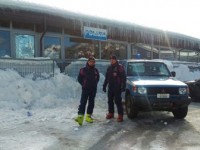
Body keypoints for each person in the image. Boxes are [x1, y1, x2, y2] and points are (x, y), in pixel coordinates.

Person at [75, 56, 100, 126]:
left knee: (91, 103)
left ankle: (88, 116)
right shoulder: (83, 70)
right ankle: (80, 116)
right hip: (85, 89)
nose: (92, 63)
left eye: (93, 62)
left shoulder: (96, 70)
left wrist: (94, 84)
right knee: (83, 102)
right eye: (90, 61)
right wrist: (83, 84)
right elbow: (79, 78)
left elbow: (97, 78)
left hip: (93, 89)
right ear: (88, 62)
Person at [103, 55, 126, 122]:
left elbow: (123, 77)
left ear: (116, 60)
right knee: (110, 101)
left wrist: (123, 86)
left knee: (118, 101)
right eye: (111, 59)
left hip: (117, 87)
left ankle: (120, 116)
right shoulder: (109, 68)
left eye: (113, 59)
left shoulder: (120, 67)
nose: (112, 60)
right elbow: (107, 78)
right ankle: (111, 113)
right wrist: (104, 85)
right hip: (110, 87)